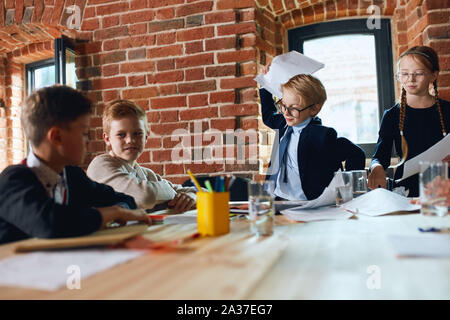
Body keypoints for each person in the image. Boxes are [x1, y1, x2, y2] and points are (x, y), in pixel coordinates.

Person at [0, 85, 151, 244]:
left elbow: (125, 200)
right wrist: (111, 213)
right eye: (84, 133)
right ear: (57, 137)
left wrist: (120, 211)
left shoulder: (72, 176)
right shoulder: (12, 181)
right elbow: (50, 224)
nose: (88, 140)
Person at [260, 69, 366, 200]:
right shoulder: (283, 124)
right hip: (277, 198)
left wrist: (347, 186)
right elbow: (268, 115)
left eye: (293, 108)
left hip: (306, 203)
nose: (286, 113)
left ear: (314, 109)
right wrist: (265, 83)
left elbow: (356, 154)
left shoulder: (322, 136)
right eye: (283, 105)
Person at [87, 99, 197, 213]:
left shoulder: (146, 174)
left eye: (137, 133)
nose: (130, 140)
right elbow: (145, 196)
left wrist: (192, 198)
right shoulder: (100, 166)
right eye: (121, 135)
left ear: (146, 137)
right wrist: (172, 192)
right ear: (107, 139)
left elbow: (201, 192)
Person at [368, 46, 449, 197]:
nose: (410, 79)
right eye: (404, 74)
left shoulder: (448, 111)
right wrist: (376, 167)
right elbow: (379, 156)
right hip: (405, 192)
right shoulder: (392, 115)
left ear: (433, 75)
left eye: (418, 74)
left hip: (443, 190)